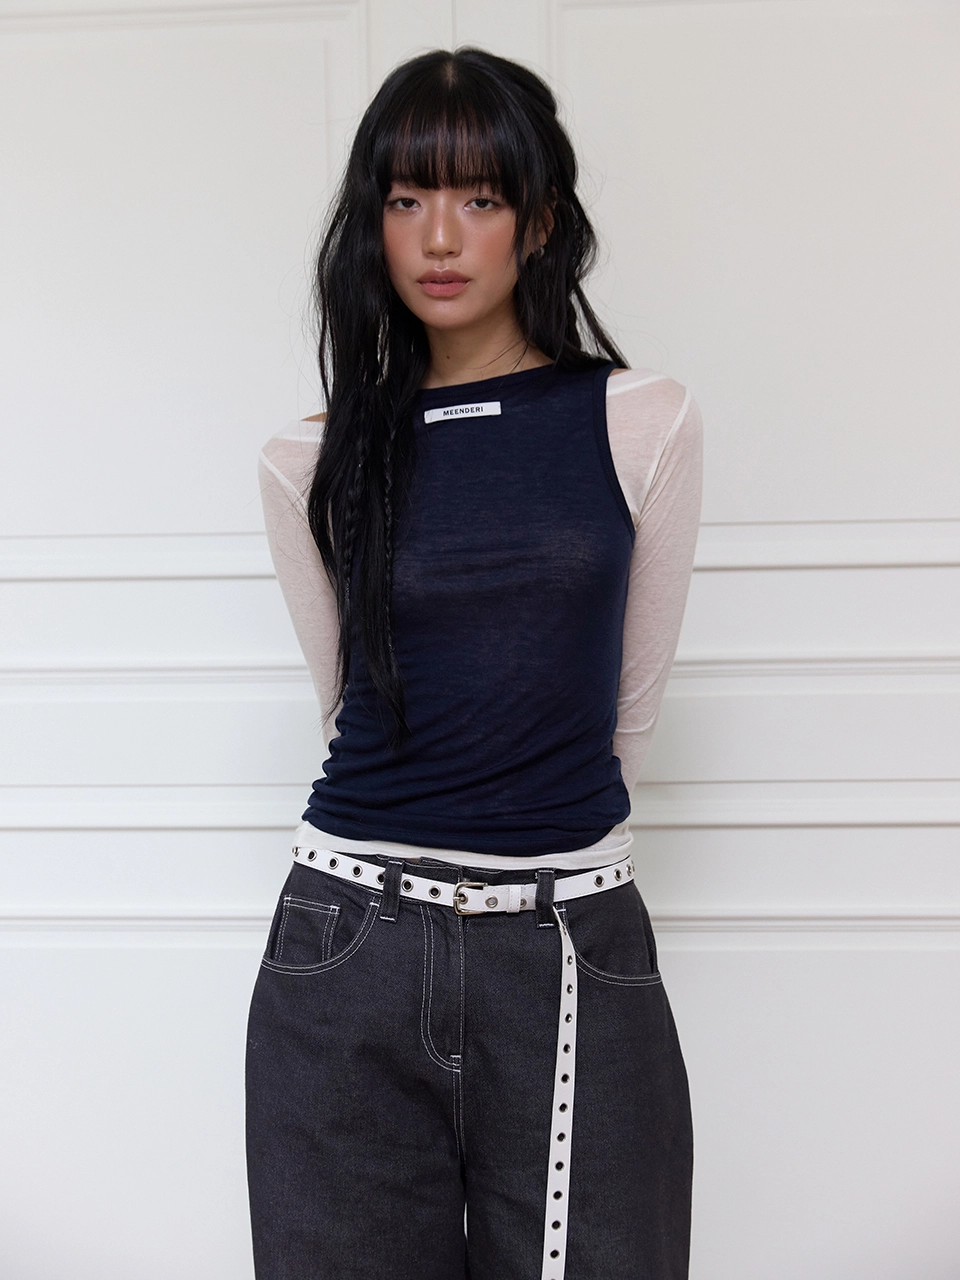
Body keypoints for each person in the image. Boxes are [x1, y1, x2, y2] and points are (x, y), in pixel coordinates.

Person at [245, 45, 702, 1280]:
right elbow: (351, 706)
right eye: (407, 199)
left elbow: (625, 715)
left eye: (479, 198)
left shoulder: (641, 420)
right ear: (373, 223)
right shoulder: (309, 458)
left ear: (538, 221)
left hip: (571, 944)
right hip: (346, 945)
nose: (440, 237)